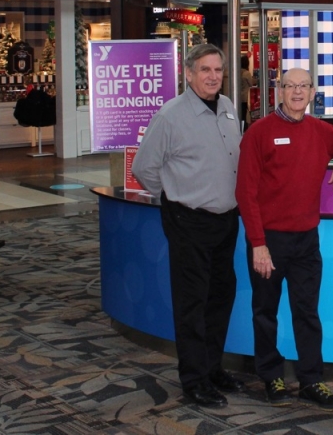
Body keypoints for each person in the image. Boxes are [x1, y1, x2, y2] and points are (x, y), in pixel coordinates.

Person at [235, 68, 333, 411]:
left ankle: (311, 380)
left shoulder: (321, 131)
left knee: (307, 313)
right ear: (279, 91)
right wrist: (258, 243)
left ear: (312, 93)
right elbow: (245, 192)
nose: (296, 92)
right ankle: (271, 376)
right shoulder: (259, 133)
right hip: (269, 242)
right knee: (265, 312)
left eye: (303, 86)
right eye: (289, 86)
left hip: (307, 240)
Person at [130, 44, 244, 408]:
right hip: (189, 221)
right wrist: (175, 198)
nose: (213, 76)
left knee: (220, 297)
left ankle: (212, 369)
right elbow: (144, 168)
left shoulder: (227, 107)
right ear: (189, 74)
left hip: (226, 221)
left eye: (218, 70)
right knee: (192, 303)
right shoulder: (171, 115)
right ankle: (194, 380)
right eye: (205, 70)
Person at [239, 55, 255, 124]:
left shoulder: (237, 72)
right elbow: (251, 83)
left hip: (238, 95)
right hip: (245, 97)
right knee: (244, 113)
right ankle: (243, 126)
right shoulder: (246, 73)